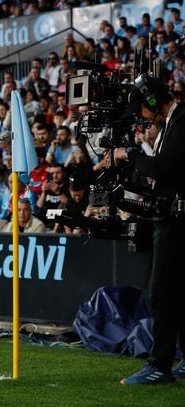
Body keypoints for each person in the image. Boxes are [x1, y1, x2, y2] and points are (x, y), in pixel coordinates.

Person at [114, 76, 185, 384]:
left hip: (179, 224)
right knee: (177, 294)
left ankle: (160, 365)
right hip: (174, 218)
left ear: (153, 102)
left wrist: (131, 156)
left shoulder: (182, 120)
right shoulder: (174, 121)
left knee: (163, 294)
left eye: (141, 108)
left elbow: (163, 169)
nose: (140, 116)